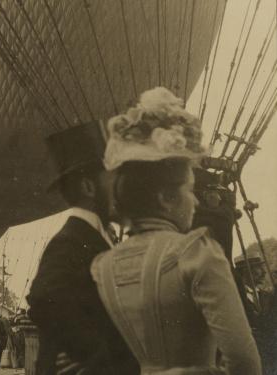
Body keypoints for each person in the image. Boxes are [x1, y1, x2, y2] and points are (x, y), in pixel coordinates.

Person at [91, 87, 261, 375]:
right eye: (189, 190)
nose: (194, 201)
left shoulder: (103, 267)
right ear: (166, 198)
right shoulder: (196, 254)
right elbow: (245, 364)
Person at [27, 122, 139, 375]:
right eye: (113, 181)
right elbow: (44, 297)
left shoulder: (91, 235)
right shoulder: (71, 240)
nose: (119, 191)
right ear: (89, 187)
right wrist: (96, 357)